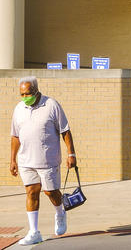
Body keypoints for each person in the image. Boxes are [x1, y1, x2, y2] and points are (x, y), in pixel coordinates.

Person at [9, 76, 77, 245]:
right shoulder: (19, 109)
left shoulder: (51, 105)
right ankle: (34, 232)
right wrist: (12, 160)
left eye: (28, 94)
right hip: (26, 160)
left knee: (51, 192)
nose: (25, 97)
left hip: (48, 160)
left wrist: (71, 154)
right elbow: (15, 136)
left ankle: (60, 213)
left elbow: (65, 131)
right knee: (31, 192)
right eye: (22, 94)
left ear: (36, 91)